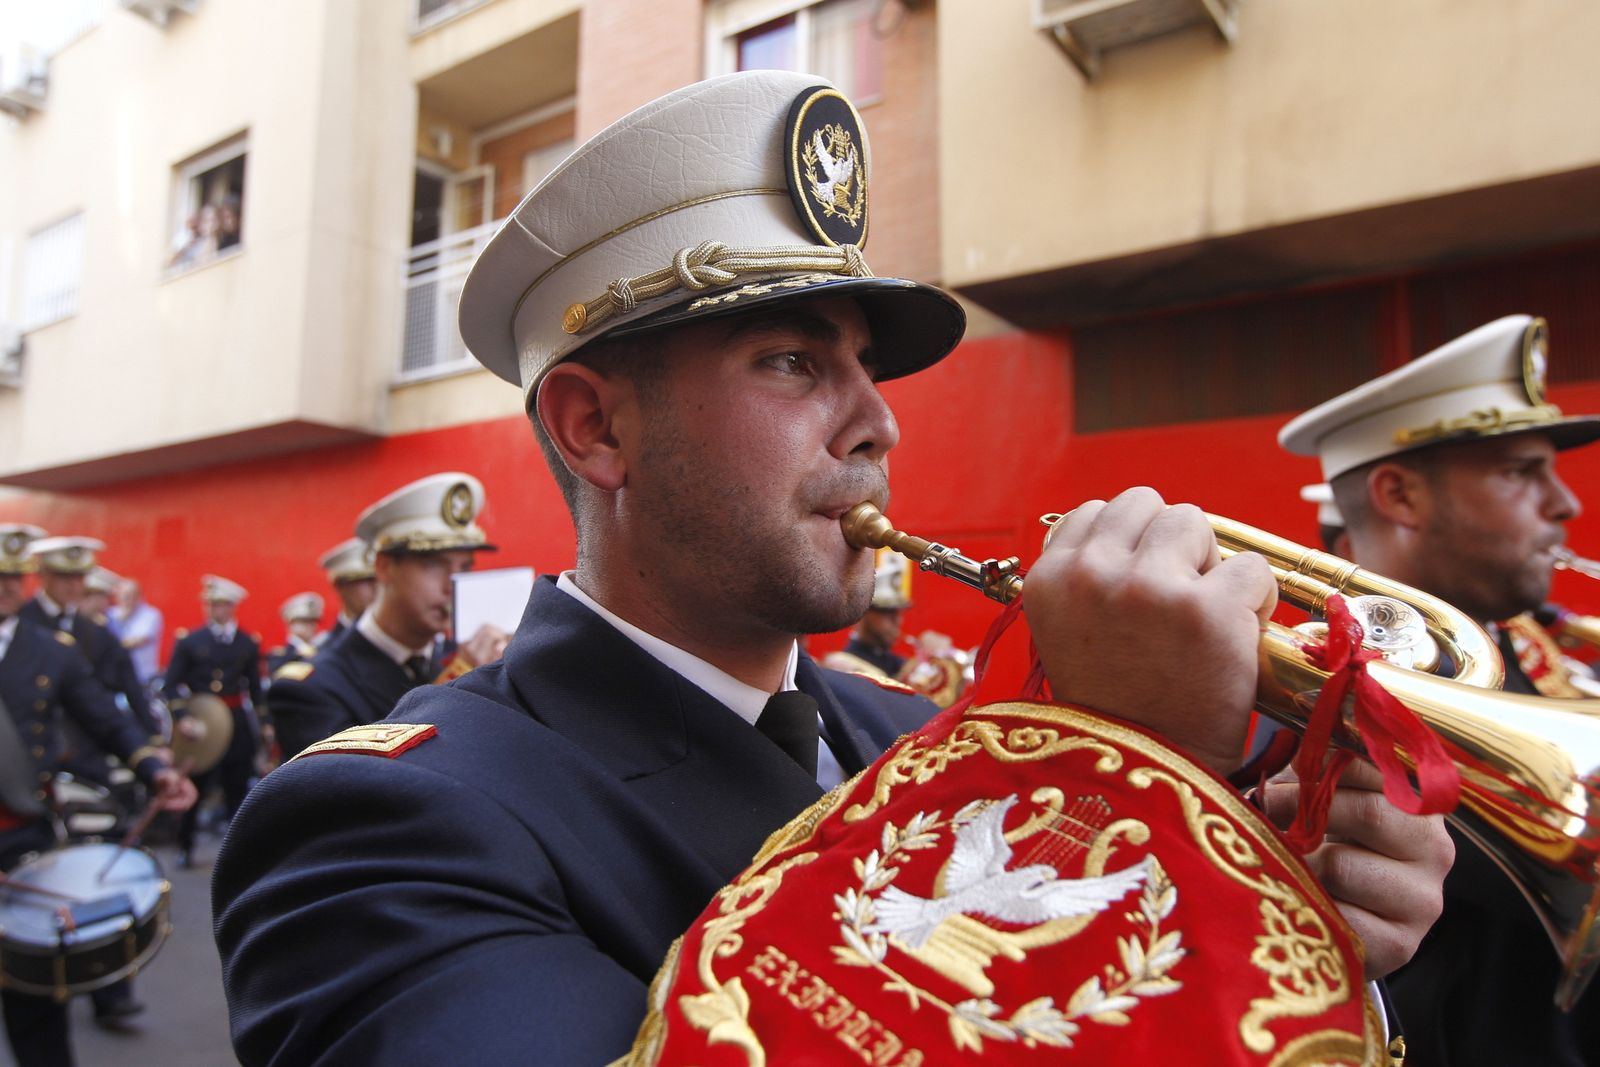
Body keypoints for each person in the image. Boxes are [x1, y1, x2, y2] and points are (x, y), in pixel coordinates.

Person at [214, 72, 1450, 1065]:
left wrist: (1238, 918)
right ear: (597, 428)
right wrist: (1115, 791)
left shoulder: (914, 726)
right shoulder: (385, 824)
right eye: (792, 362)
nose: (880, 423)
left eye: (866, 366)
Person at [1281, 314, 1600, 1065]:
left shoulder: (1542, 650)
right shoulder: (1307, 700)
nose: (1565, 504)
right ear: (1400, 495)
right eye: (1521, 471)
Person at [0, 525, 197, 1065]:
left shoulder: (49, 651)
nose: (7, 587)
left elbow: (107, 718)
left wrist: (155, 766)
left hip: (22, 838)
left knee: (33, 992)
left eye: (13, 577)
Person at [265, 473, 506, 760]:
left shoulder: (463, 658)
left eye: (464, 567)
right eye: (433, 565)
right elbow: (359, 790)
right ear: (383, 567)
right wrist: (455, 687)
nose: (451, 585)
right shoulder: (310, 689)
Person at [20, 537, 161, 758]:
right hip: (26, 749)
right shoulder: (18, 621)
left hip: (83, 747)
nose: (73, 585)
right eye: (63, 575)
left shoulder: (94, 631)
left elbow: (126, 681)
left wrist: (151, 740)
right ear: (42, 574)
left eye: (79, 576)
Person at [163, 574, 262, 868]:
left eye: (221, 605)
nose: (214, 610)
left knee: (237, 787)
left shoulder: (247, 643)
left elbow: (254, 688)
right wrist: (182, 717)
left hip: (234, 722)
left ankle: (236, 851)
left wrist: (264, 724)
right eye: (211, 604)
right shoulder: (190, 641)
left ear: (232, 607)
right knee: (196, 785)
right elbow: (170, 685)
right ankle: (185, 844)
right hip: (201, 723)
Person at [826, 548, 912, 678]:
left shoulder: (902, 664)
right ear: (863, 612)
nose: (897, 620)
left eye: (898, 612)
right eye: (887, 612)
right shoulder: (843, 665)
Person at [315, 537, 376, 647]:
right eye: (366, 581)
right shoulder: (323, 649)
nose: (376, 588)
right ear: (340, 587)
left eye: (380, 580)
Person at [113, 577, 165, 688]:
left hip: (143, 678)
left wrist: (110, 644)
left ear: (138, 596)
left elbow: (137, 641)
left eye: (131, 595)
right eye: (124, 595)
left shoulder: (150, 615)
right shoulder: (111, 614)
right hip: (116, 677)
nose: (127, 599)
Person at [265, 592, 324, 675]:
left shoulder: (321, 650)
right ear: (291, 623)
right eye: (305, 621)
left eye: (314, 622)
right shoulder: (280, 655)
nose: (312, 626)